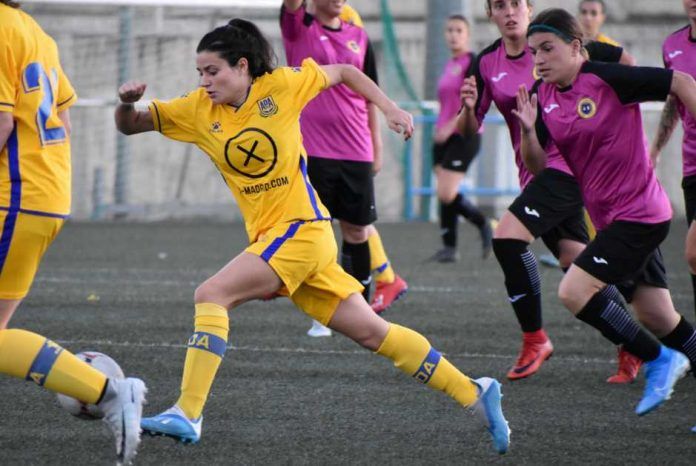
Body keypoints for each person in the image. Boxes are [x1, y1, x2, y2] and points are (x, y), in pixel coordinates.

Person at [114, 19, 510, 453]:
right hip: (287, 242)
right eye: (200, 73)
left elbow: (344, 71)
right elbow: (132, 124)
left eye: (213, 71)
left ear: (242, 66)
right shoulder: (196, 109)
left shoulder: (281, 86)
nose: (204, 81)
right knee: (374, 333)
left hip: (302, 231)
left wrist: (389, 108)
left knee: (211, 294)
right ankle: (473, 391)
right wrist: (126, 104)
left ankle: (187, 412)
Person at [515, 7, 696, 418]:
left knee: (573, 291)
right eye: (533, 52)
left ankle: (658, 360)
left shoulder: (606, 77)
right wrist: (528, 130)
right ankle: (672, 353)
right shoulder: (544, 96)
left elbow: (682, 81)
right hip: (613, 220)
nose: (539, 59)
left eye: (548, 49)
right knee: (657, 314)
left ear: (576, 48)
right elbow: (540, 165)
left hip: (641, 214)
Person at [456, 0, 638, 383]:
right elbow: (467, 130)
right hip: (537, 176)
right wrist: (469, 108)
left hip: (570, 168)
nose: (509, 12)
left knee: (506, 238)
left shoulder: (557, 40)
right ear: (490, 14)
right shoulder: (487, 62)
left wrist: (619, 124)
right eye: (499, 6)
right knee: (580, 269)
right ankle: (633, 342)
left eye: (516, 4)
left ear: (529, 7)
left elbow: (624, 65)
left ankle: (535, 339)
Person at [0, 1, 146, 464]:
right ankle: (108, 393)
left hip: (13, 194)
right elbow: (62, 118)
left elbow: (2, 120)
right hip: (40, 194)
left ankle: (106, 393)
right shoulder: (34, 32)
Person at [281, 0, 408, 322]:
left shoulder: (358, 35)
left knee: (357, 231)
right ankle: (318, 307)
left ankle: (359, 308)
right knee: (313, 229)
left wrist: (376, 148)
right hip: (313, 151)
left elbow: (368, 97)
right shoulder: (299, 28)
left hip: (357, 151)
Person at [429, 14, 494, 263]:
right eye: (449, 30)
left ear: (467, 35)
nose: (453, 35)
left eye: (458, 30)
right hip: (442, 136)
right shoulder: (449, 64)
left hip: (463, 135)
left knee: (447, 193)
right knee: (444, 191)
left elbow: (472, 103)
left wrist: (449, 126)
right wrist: (440, 129)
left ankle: (483, 224)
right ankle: (449, 247)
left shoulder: (472, 63)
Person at [651, 0, 696, 324]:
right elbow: (673, 105)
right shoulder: (673, 45)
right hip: (691, 165)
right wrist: (654, 150)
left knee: (694, 252)